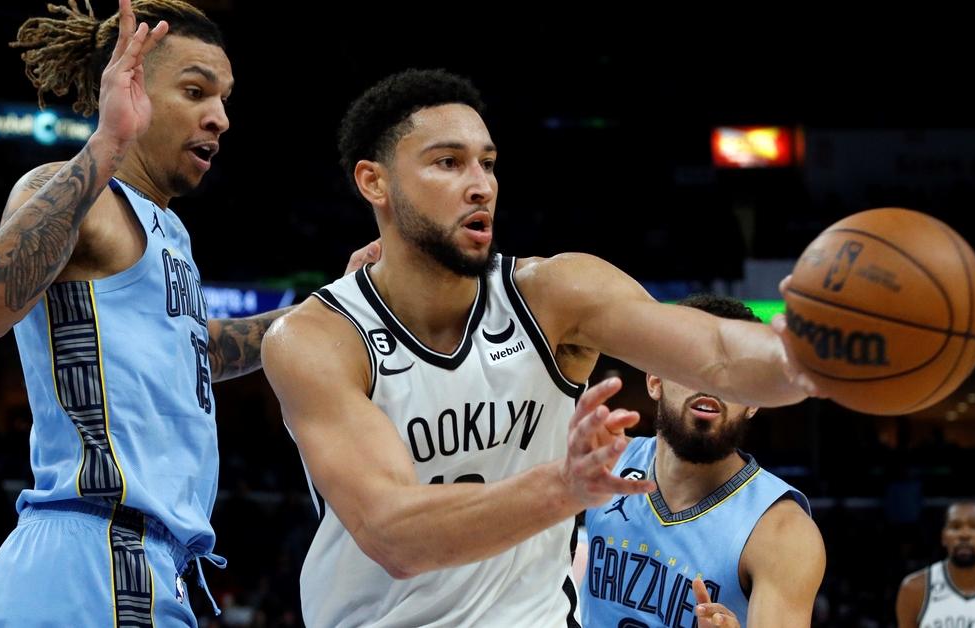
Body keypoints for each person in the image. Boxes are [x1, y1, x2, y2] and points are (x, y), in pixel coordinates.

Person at [261, 68, 818, 627]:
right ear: (374, 182)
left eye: (488, 163)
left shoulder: (555, 295)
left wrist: (810, 356)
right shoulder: (318, 339)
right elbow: (393, 535)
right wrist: (564, 487)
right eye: (448, 162)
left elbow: (719, 352)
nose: (481, 186)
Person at [0, 1, 376, 625]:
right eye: (196, 91)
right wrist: (107, 141)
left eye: (225, 99)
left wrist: (337, 303)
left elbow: (199, 349)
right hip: (100, 547)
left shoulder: (168, 232)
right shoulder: (72, 190)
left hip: (139, 559)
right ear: (132, 90)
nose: (220, 117)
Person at [575, 294, 826, 628]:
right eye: (693, 363)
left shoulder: (783, 533)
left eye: (732, 372)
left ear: (753, 400)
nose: (711, 383)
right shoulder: (605, 463)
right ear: (655, 380)